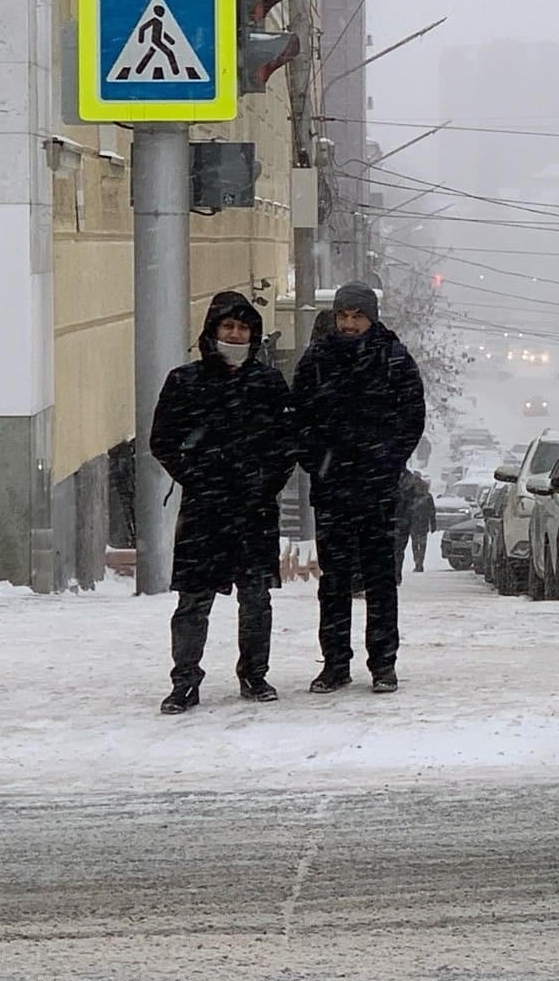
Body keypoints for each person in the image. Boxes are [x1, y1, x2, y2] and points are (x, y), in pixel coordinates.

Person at [150, 290, 299, 715]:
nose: (234, 335)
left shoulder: (268, 383)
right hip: (204, 511)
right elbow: (163, 441)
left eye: (243, 327)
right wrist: (198, 477)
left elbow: (286, 444)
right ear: (212, 332)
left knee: (256, 598)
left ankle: (254, 674)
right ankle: (185, 681)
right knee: (193, 600)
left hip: (254, 511)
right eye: (227, 327)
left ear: (254, 335)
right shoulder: (185, 381)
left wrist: (264, 483)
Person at [291, 282, 425, 694]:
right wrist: (321, 463)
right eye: (343, 316)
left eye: (357, 316)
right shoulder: (317, 359)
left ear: (372, 318)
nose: (349, 324)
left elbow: (411, 419)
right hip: (333, 490)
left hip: (380, 490)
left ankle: (383, 663)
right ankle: (334, 664)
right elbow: (299, 419)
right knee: (334, 582)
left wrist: (386, 463)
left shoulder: (394, 359)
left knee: (380, 581)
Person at [397, 464, 436, 578]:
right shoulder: (426, 496)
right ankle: (419, 562)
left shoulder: (411, 495)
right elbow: (432, 511)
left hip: (413, 522)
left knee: (415, 544)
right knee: (421, 544)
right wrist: (433, 524)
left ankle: (418, 563)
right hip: (421, 523)